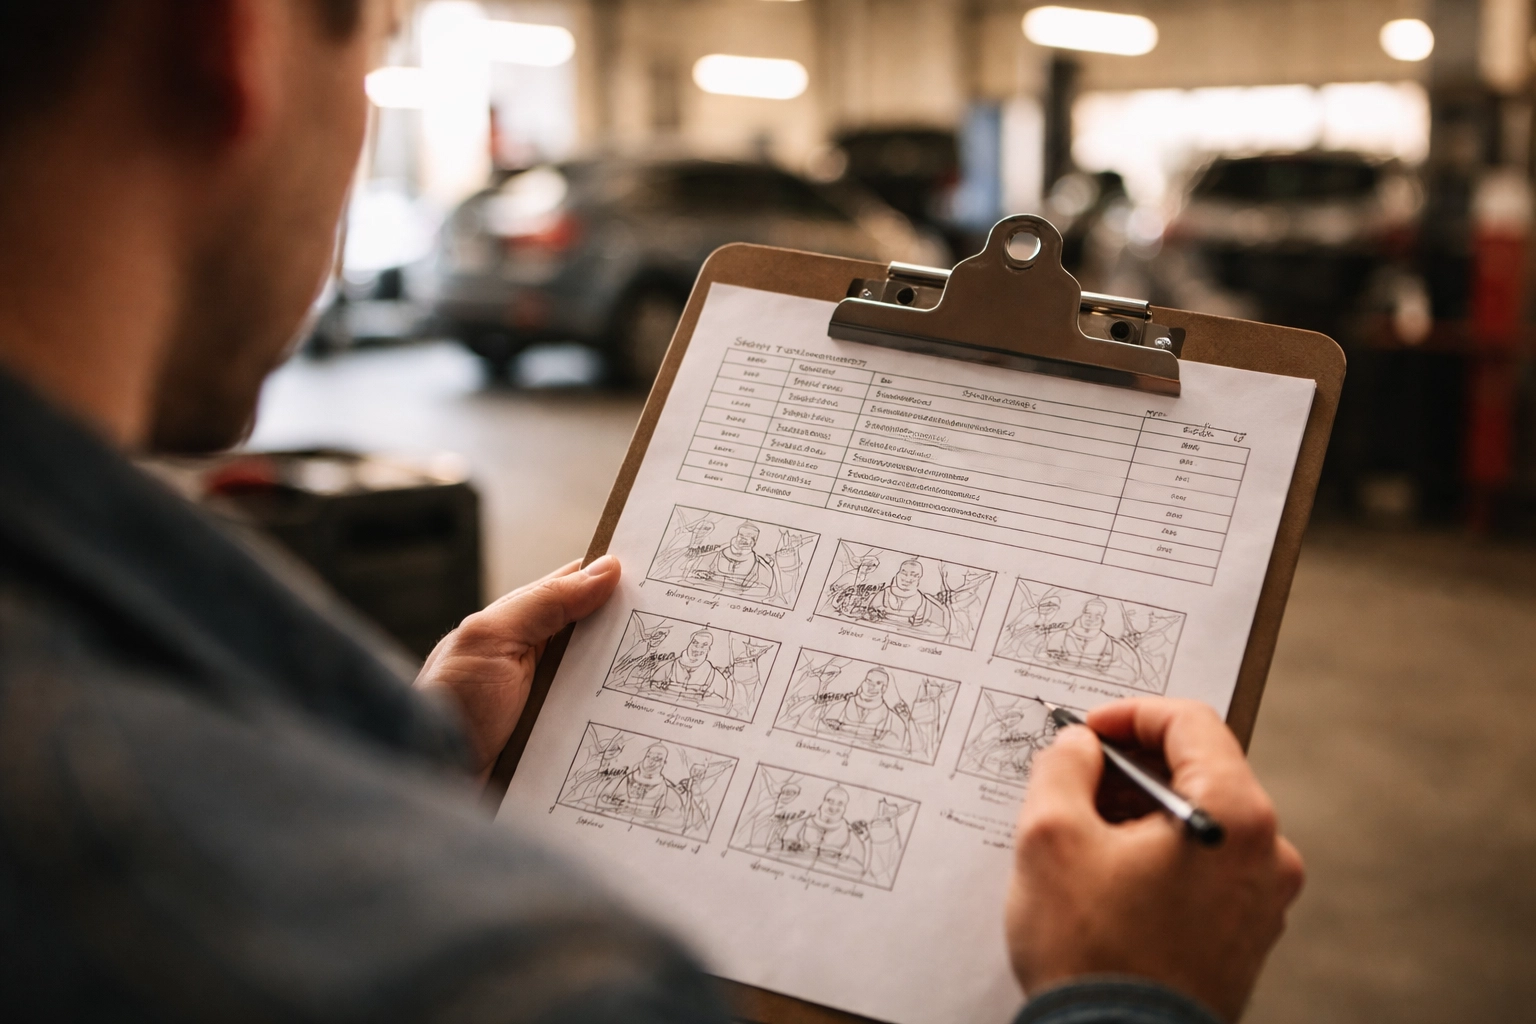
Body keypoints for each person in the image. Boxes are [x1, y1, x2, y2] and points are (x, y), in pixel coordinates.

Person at [0, 2, 1304, 1022]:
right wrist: (1130, 1001)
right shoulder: (475, 977)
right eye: (380, 47)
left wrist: (404, 772)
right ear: (234, 33)